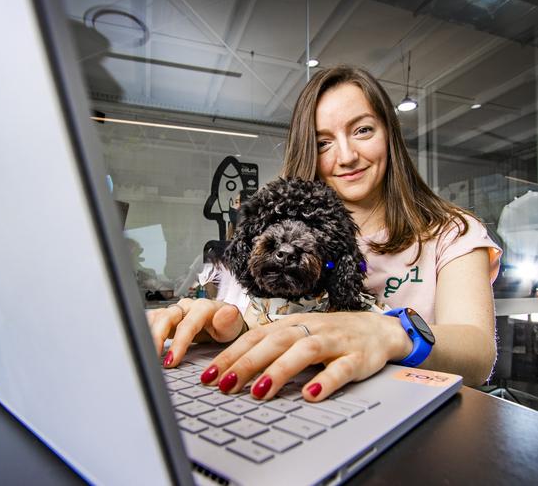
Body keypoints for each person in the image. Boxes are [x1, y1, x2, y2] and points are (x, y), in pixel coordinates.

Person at [146, 65, 501, 403]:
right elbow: (265, 321)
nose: (346, 156)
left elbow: (478, 355)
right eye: (323, 142)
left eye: (363, 130)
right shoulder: (276, 232)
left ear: (390, 134)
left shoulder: (452, 230)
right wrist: (220, 328)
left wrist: (386, 332)